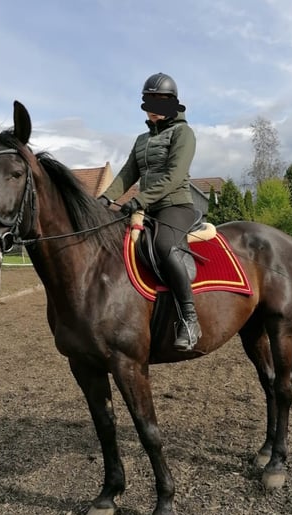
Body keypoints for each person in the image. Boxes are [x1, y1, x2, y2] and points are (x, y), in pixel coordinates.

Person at [98, 72, 201, 351]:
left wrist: (139, 200)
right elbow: (127, 173)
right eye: (149, 100)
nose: (154, 105)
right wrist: (104, 199)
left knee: (166, 246)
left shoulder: (183, 133)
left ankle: (189, 320)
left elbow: (174, 175)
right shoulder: (142, 139)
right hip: (148, 207)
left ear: (171, 103)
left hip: (175, 205)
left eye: (160, 100)